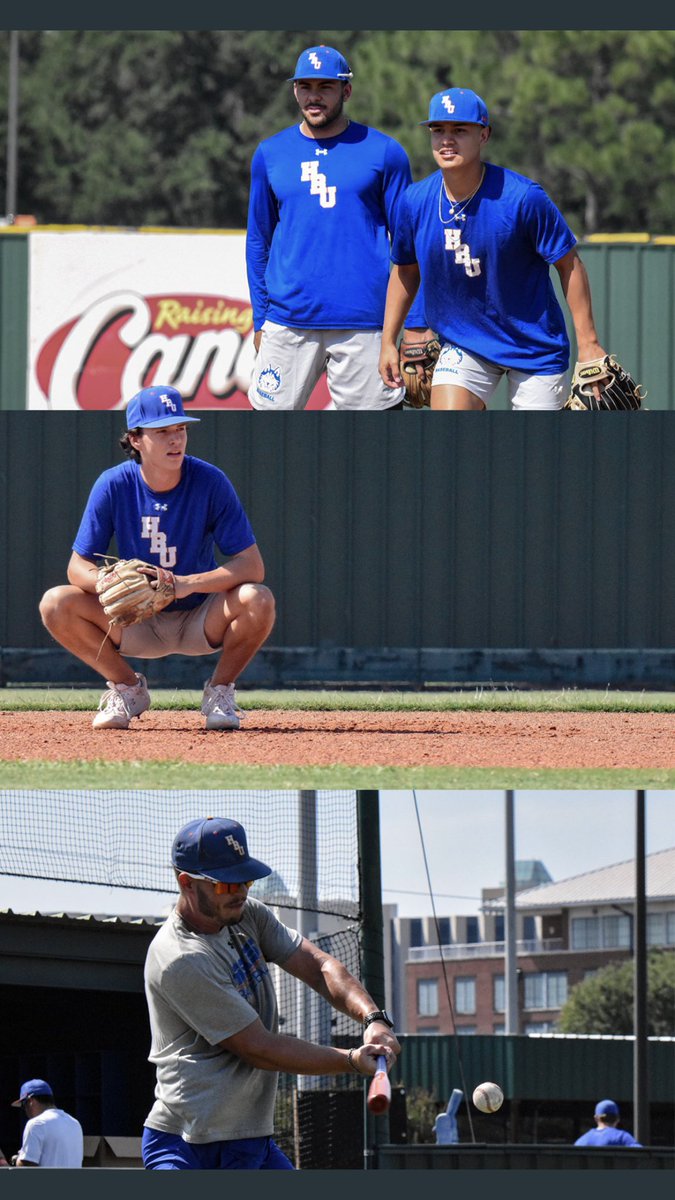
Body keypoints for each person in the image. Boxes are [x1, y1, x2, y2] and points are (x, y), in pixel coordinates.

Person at [141, 815, 399, 1170]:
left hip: (248, 1142)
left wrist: (373, 1018)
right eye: (226, 884)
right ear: (187, 883)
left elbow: (319, 967)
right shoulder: (180, 958)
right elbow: (260, 1048)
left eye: (244, 879)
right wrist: (352, 1059)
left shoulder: (247, 915)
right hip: (191, 1146)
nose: (241, 891)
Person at [39, 385, 275, 731]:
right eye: (162, 431)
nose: (175, 439)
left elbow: (252, 565)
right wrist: (106, 580)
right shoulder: (113, 484)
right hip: (136, 616)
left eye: (180, 429)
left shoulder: (210, 481)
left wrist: (183, 585)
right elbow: (77, 567)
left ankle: (220, 692)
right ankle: (128, 689)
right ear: (136, 439)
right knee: (55, 603)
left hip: (200, 615)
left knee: (258, 598)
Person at [379, 87, 607, 411]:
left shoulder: (522, 198)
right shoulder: (415, 202)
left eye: (460, 130)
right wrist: (389, 340)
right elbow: (405, 271)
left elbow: (570, 265)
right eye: (438, 130)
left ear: (484, 135)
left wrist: (589, 345)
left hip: (534, 347)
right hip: (466, 342)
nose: (447, 140)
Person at [246, 43, 431, 411]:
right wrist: (260, 318)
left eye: (325, 87)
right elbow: (258, 240)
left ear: (346, 91)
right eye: (305, 87)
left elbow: (410, 245)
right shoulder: (270, 153)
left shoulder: (384, 152)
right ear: (295, 90)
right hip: (288, 320)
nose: (314, 97)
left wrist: (416, 321)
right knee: (265, 444)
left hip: (366, 322)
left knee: (376, 450)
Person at [10, 1079, 84, 1167]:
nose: (25, 1111)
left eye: (23, 1105)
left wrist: (17, 1159)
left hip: (47, 1181)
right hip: (74, 1181)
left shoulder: (36, 1124)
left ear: (30, 1101)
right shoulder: (74, 1123)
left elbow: (26, 1166)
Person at [574, 1099, 642, 1148]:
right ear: (617, 1119)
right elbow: (640, 1155)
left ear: (596, 1118)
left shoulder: (581, 1141)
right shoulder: (622, 1137)